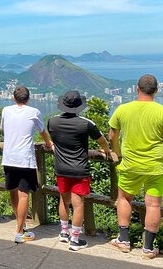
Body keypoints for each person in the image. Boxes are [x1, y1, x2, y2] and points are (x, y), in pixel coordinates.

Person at [108, 74, 163, 259]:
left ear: (137, 88)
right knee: (153, 204)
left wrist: (117, 153)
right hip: (156, 166)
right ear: (156, 90)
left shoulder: (122, 109)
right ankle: (148, 248)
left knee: (124, 199)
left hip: (130, 164)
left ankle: (123, 240)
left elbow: (112, 136)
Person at [48, 90, 116, 251]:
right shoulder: (86, 123)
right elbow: (102, 141)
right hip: (79, 169)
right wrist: (106, 150)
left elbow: (54, 140)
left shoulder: (52, 122)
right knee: (78, 205)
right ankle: (75, 239)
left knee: (63, 200)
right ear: (79, 107)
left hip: (61, 168)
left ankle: (64, 233)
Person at [1, 86, 52, 243]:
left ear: (13, 98)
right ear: (28, 98)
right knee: (24, 195)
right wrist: (49, 144)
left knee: (13, 192)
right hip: (25, 159)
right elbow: (43, 132)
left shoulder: (5, 110)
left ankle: (20, 225)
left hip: (8, 157)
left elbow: (3, 129)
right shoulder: (34, 112)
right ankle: (19, 231)